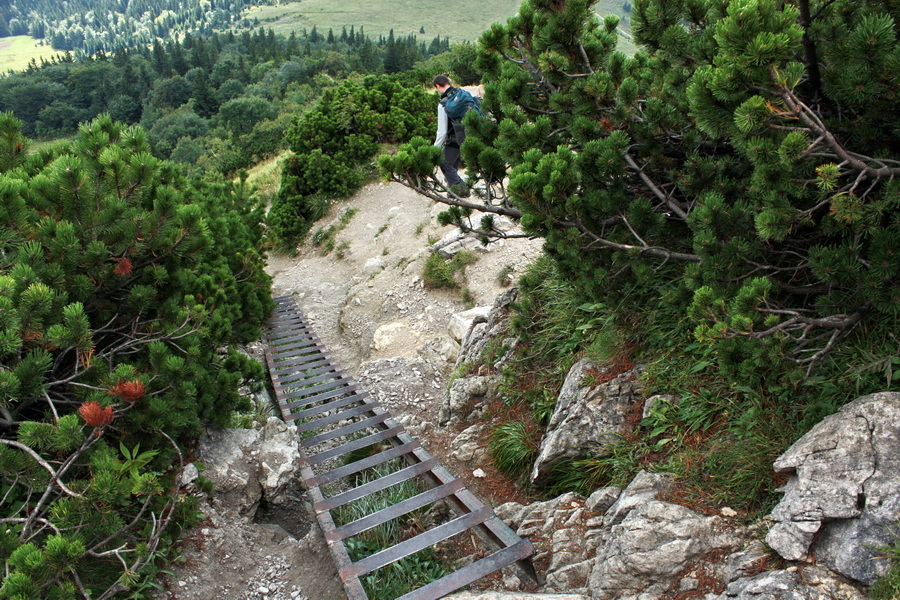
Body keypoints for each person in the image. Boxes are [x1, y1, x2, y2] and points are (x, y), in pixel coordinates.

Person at [432, 74, 470, 198]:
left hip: (454, 139)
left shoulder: (443, 103)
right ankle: (452, 190)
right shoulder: (461, 95)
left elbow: (442, 131)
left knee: (444, 162)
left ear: (437, 86)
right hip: (468, 137)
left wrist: (434, 149)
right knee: (452, 164)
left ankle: (461, 189)